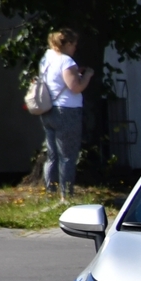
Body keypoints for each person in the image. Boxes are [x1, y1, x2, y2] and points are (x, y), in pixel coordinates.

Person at [39, 28, 92, 200]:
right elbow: (75, 87)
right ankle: (66, 196)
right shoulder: (66, 61)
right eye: (74, 44)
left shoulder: (47, 58)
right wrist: (88, 76)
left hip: (48, 110)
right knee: (68, 156)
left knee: (52, 156)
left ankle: (50, 193)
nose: (75, 48)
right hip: (66, 111)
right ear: (67, 44)